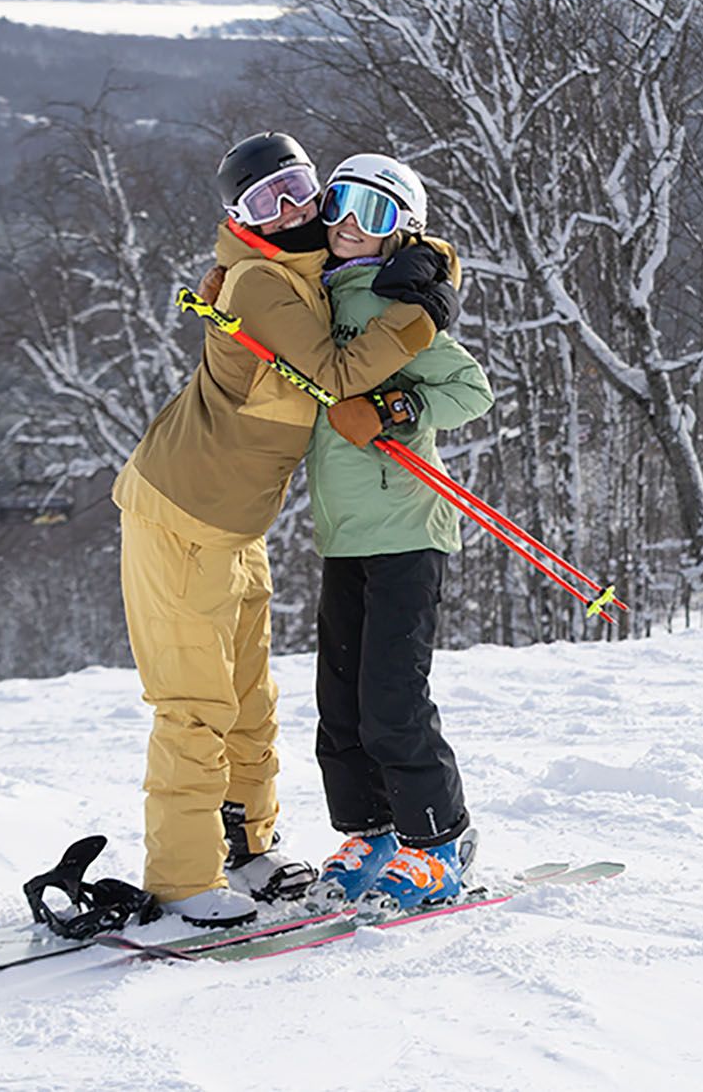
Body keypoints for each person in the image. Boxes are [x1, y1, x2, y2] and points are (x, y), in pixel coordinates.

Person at [111, 132, 457, 927]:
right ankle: (184, 875)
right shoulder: (263, 283)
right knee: (194, 705)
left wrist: (431, 264)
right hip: (182, 512)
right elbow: (337, 372)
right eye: (271, 201)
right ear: (242, 218)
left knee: (250, 700)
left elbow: (370, 260)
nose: (298, 208)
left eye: (304, 187)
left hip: (238, 525)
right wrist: (420, 318)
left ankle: (249, 847)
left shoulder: (297, 271)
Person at [301, 153, 492, 913]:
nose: (349, 225)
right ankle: (371, 831)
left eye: (373, 215)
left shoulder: (397, 310)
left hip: (408, 527)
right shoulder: (314, 299)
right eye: (341, 204)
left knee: (391, 698)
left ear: (399, 233)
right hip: (343, 533)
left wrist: (394, 410)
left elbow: (469, 391)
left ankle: (438, 839)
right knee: (339, 701)